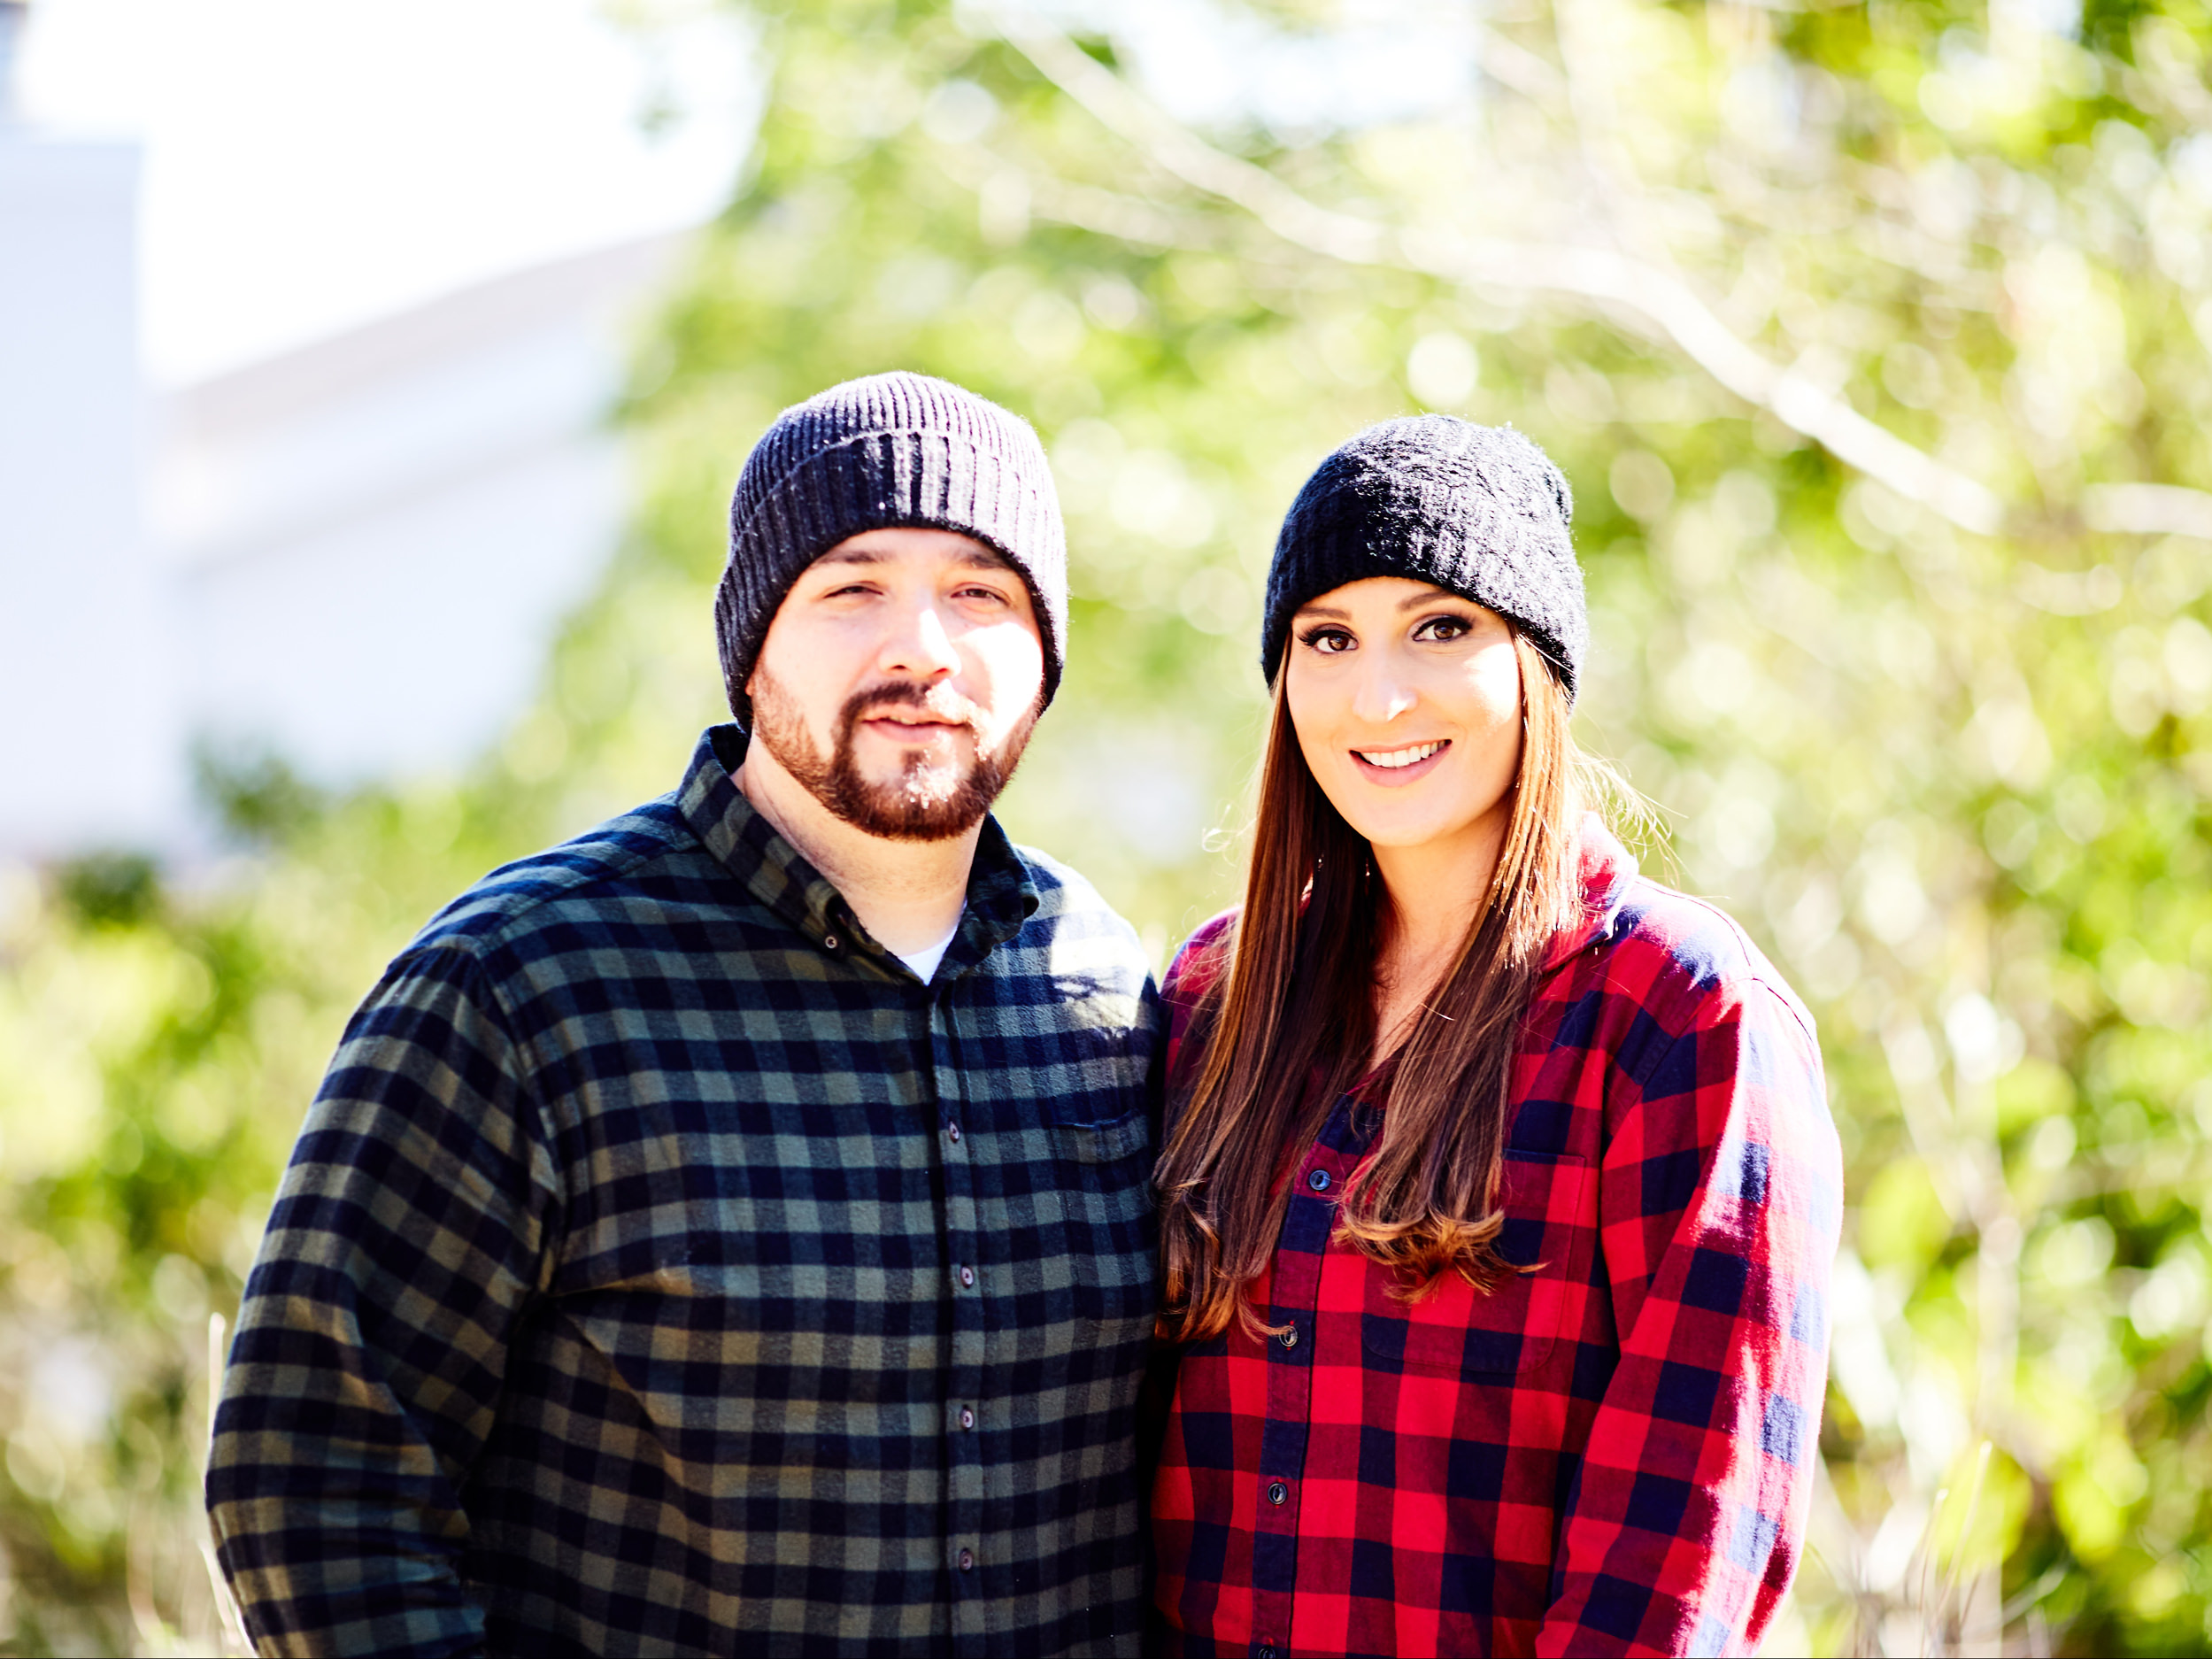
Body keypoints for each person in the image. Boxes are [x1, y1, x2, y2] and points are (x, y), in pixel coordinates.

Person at [208, 372, 1163, 1657]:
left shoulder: (1103, 986)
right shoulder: (524, 985)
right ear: (753, 642)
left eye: (981, 592)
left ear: (1043, 653)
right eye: (855, 585)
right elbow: (311, 1482)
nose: (923, 647)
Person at [1145, 417, 1841, 1657]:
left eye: (1441, 626)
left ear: (1538, 663)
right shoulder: (1216, 997)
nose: (1379, 692)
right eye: (1328, 637)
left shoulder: (1680, 1018)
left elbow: (1671, 1572)